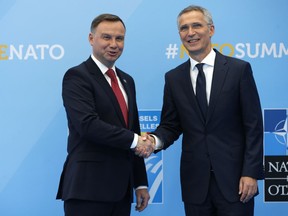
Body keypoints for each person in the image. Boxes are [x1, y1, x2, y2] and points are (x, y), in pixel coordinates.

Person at [143, 5, 264, 216]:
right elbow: (170, 126)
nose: (190, 33)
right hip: (195, 185)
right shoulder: (173, 78)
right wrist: (154, 141)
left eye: (196, 25)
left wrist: (250, 173)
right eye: (184, 28)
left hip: (236, 183)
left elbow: (253, 126)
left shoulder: (238, 70)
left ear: (211, 29)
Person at [56, 13, 154, 216]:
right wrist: (136, 140)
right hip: (87, 189)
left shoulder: (127, 80)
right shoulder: (77, 76)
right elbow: (88, 125)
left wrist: (140, 183)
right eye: (106, 37)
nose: (114, 44)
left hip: (121, 192)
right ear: (91, 39)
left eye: (119, 38)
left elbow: (132, 130)